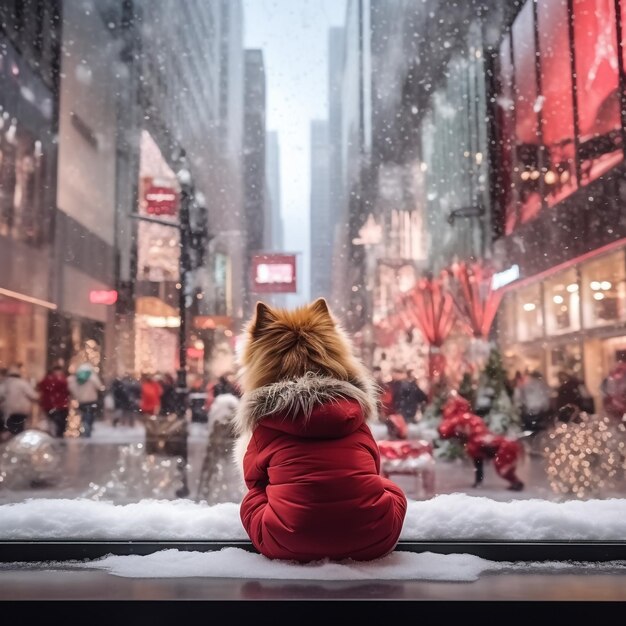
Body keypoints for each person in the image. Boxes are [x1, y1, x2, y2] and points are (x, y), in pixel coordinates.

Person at [0, 364, 39, 438]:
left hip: (9, 411)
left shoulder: (5, 384)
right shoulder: (23, 383)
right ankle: (17, 442)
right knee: (19, 429)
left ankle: (11, 442)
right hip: (22, 410)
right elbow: (34, 396)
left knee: (10, 429)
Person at [68, 363, 105, 438]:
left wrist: (77, 395)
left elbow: (71, 388)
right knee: (90, 415)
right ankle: (88, 428)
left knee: (84, 415)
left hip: (81, 400)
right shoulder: (92, 377)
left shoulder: (76, 378)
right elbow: (99, 386)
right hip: (91, 400)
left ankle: (85, 426)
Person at [37, 365, 70, 438]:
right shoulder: (63, 379)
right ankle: (59, 434)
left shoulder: (46, 380)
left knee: (52, 420)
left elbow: (40, 387)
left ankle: (53, 433)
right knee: (61, 422)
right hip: (61, 404)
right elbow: (67, 390)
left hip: (48, 404)